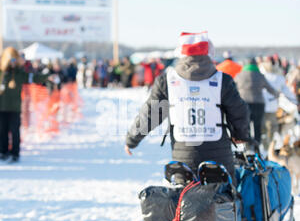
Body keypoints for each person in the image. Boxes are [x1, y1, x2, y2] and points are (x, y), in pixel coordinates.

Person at [125, 32, 250, 180]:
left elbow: (150, 114)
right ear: (208, 53)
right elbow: (239, 112)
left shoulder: (167, 81)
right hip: (219, 158)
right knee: (226, 197)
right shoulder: (223, 80)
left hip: (183, 158)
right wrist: (240, 135)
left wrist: (131, 140)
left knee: (184, 198)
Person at [0, 47, 53, 162]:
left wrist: (46, 76)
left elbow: (34, 78)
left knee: (14, 131)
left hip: (14, 108)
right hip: (2, 107)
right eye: (11, 60)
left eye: (15, 60)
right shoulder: (2, 74)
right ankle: (3, 151)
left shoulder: (20, 74)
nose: (13, 63)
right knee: (2, 131)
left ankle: (15, 153)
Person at [234, 57, 279, 144]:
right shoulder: (260, 75)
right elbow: (270, 89)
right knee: (257, 125)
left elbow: (233, 88)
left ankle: (247, 145)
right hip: (259, 104)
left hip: (244, 104)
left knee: (246, 126)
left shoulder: (239, 75)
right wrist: (277, 94)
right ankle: (257, 145)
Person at [259, 57, 297, 148]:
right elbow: (287, 92)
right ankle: (270, 146)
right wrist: (295, 101)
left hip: (261, 106)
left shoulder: (261, 77)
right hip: (272, 107)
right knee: (272, 129)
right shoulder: (279, 78)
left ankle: (265, 147)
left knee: (263, 129)